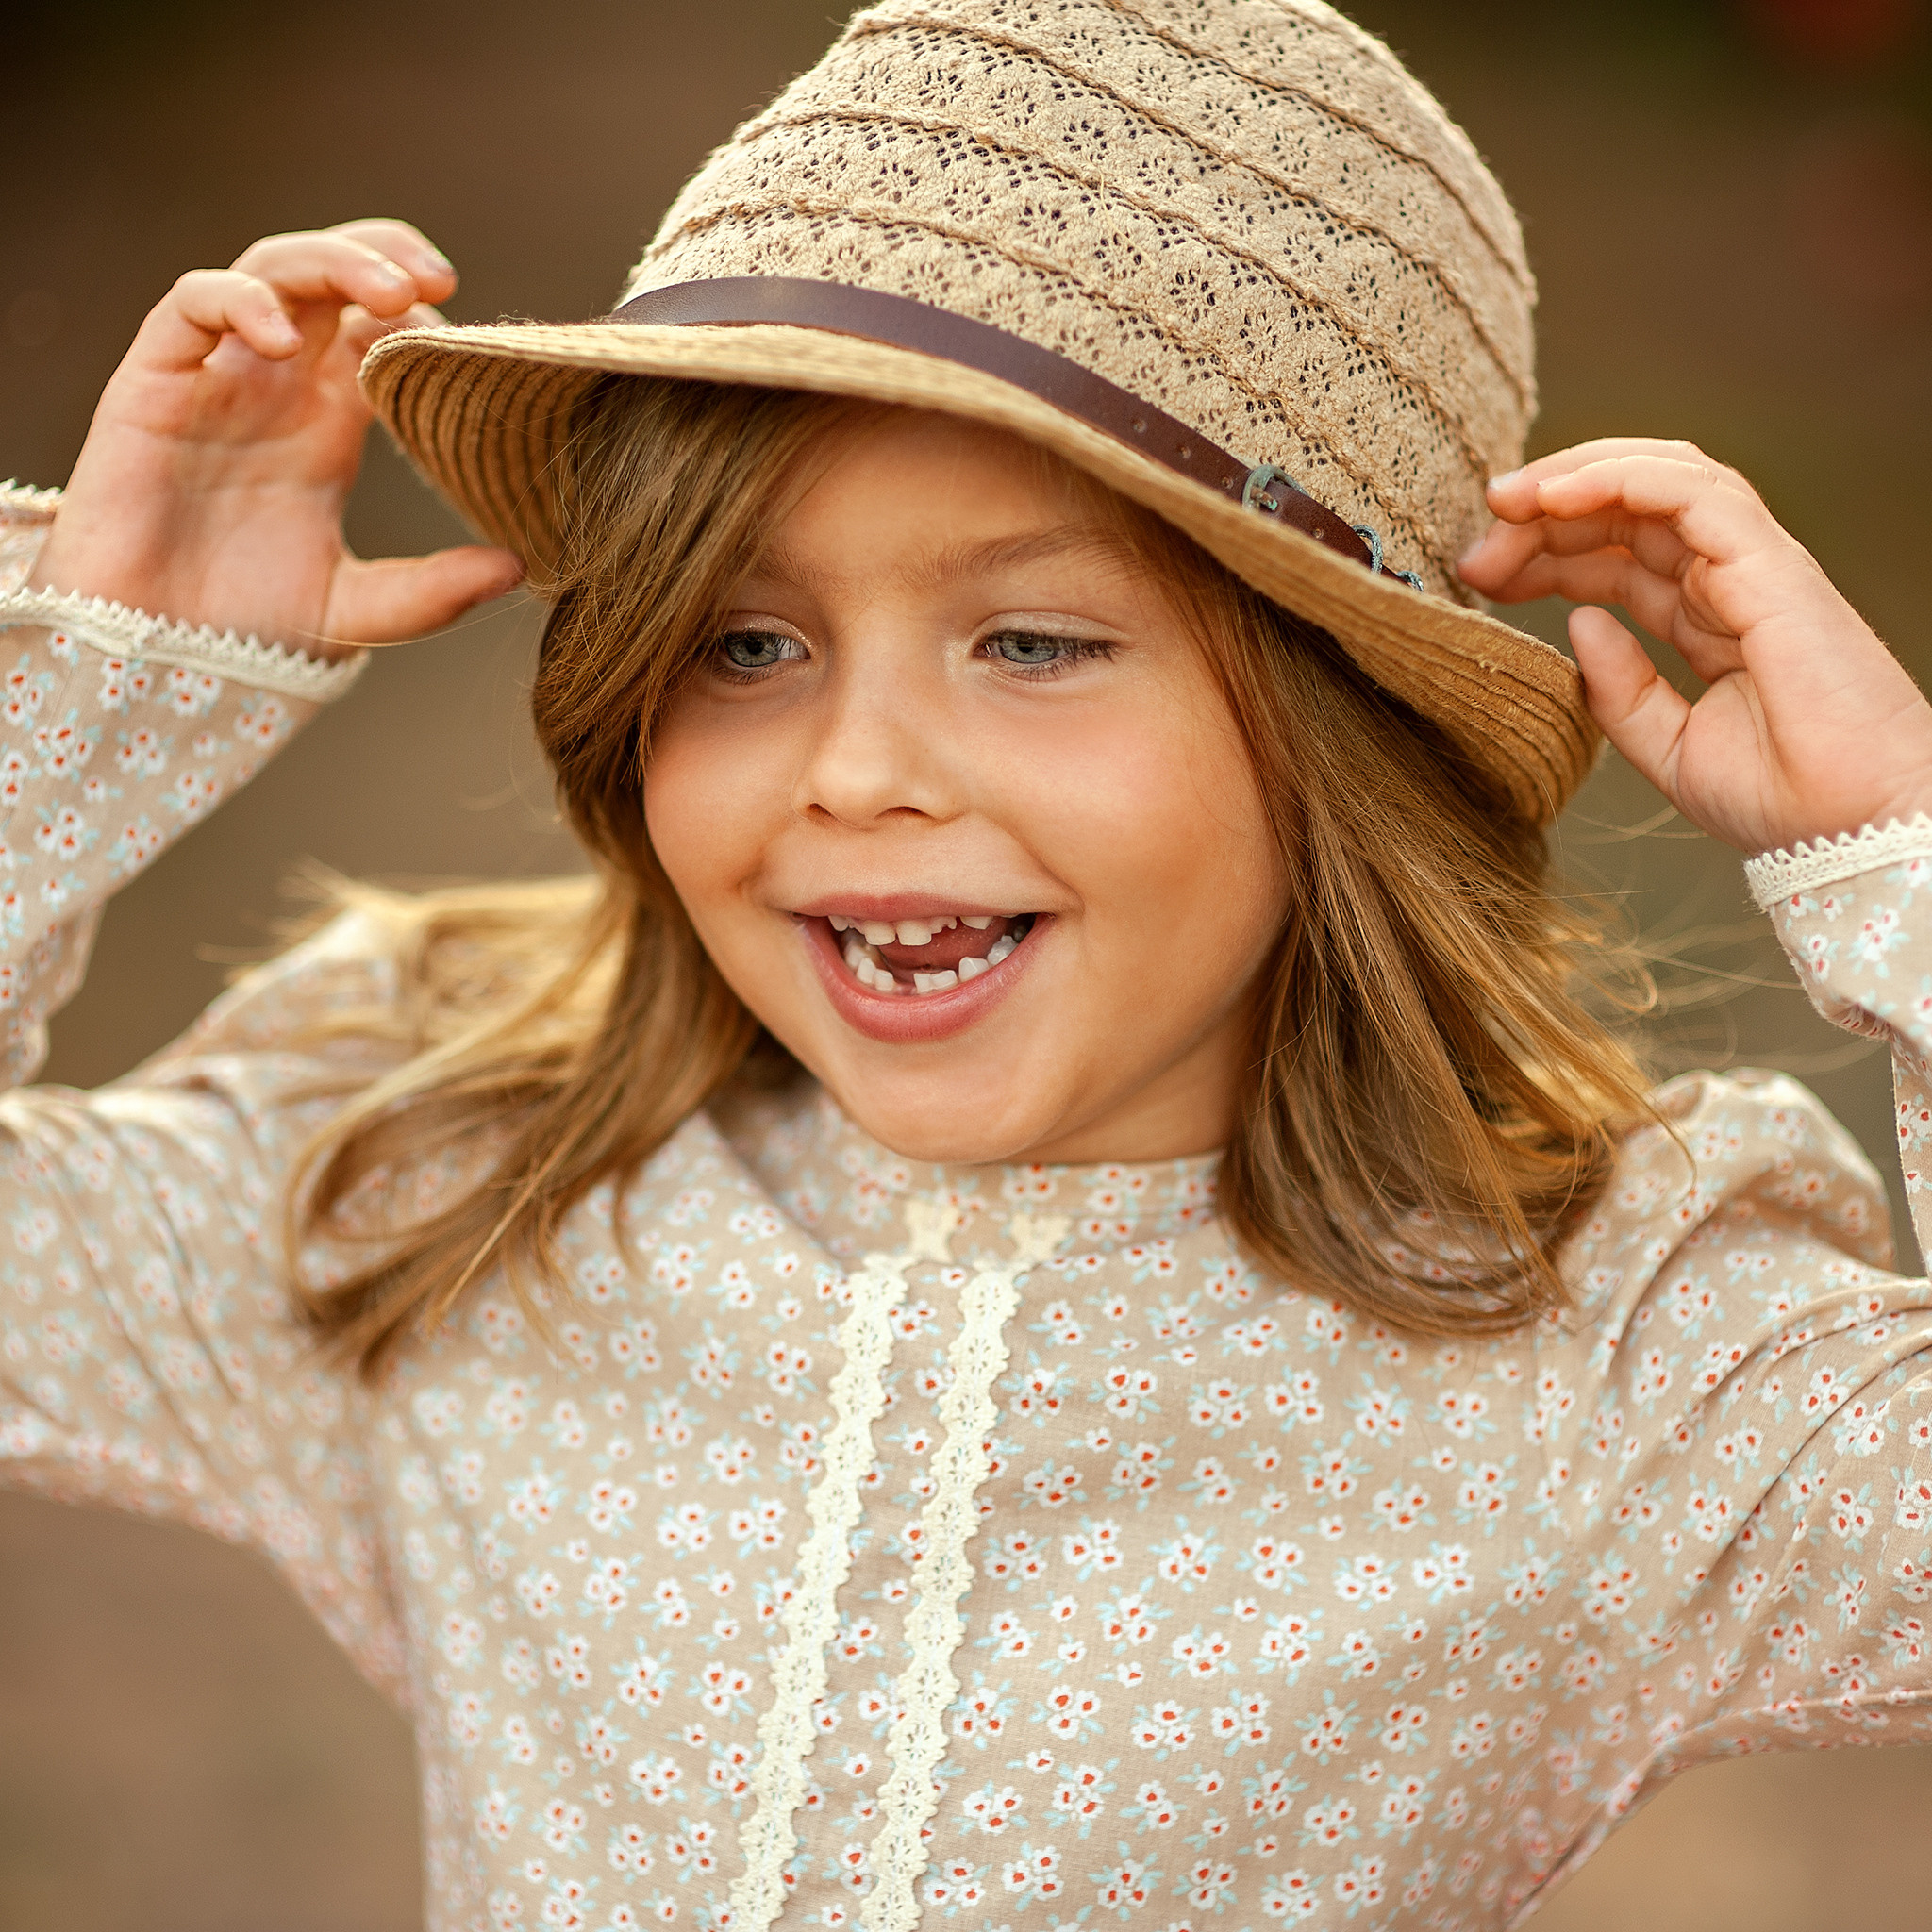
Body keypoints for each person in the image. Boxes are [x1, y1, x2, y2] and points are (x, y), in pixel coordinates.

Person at [4, 2, 1930, 1928]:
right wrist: (99, 695)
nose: (855, 772)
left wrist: (1897, 858)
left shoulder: (1605, 1358)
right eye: (746, 647)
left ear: (1335, 725)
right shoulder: (451, 1183)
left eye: (1031, 642)